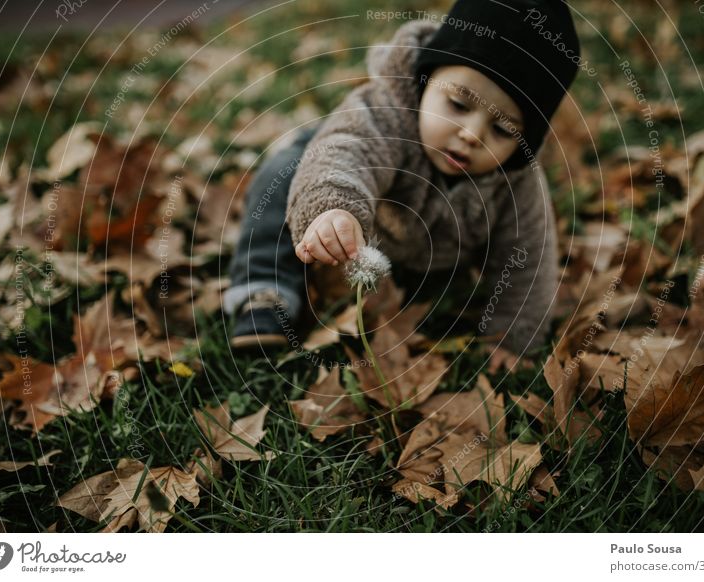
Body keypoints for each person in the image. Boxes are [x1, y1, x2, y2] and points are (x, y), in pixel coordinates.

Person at [225, 0, 580, 354]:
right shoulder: (385, 115)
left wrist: (513, 341)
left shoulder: (516, 179)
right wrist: (335, 207)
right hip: (348, 200)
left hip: (426, 257)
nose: (471, 135)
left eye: (503, 130)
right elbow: (348, 151)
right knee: (286, 165)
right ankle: (263, 290)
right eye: (458, 105)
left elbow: (529, 256)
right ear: (425, 80)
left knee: (436, 291)